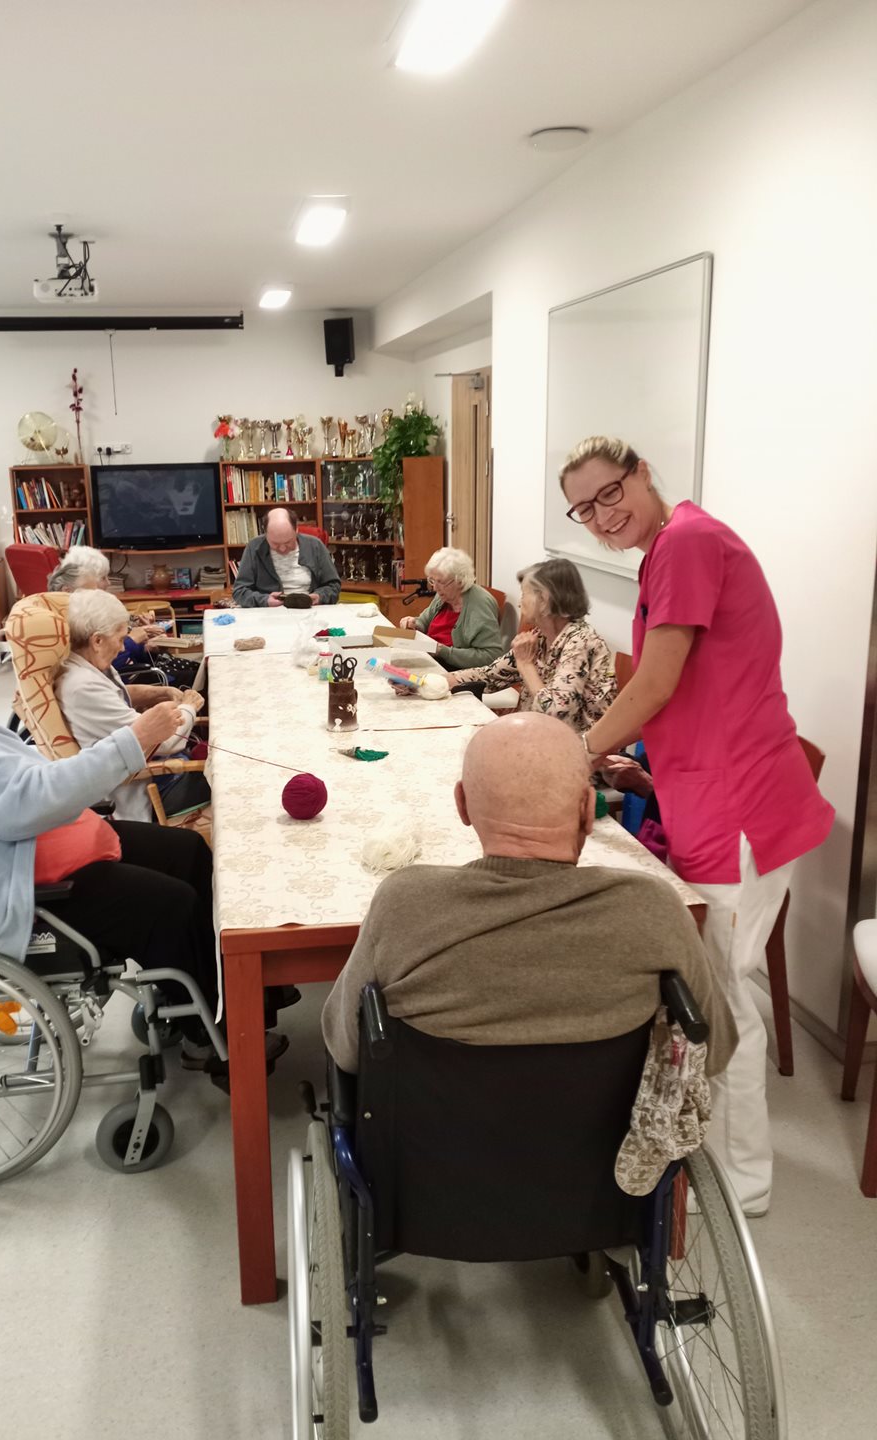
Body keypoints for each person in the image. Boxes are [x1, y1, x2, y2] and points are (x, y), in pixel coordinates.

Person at [559, 434, 834, 1215]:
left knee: (721, 996)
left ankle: (742, 1183)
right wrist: (643, 771)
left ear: (641, 472)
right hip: (709, 793)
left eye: (610, 493)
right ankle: (713, 1149)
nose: (602, 516)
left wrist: (574, 753)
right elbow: (700, 691)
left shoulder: (686, 541)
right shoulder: (666, 549)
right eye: (584, 510)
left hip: (740, 802)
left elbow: (655, 683)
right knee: (712, 985)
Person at [0, 616, 284, 1077]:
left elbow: (40, 781)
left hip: (24, 850)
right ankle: (211, 1034)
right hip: (10, 886)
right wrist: (136, 739)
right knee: (171, 905)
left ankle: (226, 988)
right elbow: (38, 797)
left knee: (187, 851)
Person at [322, 712, 735, 1079]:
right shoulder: (653, 908)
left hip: (425, 1143)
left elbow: (347, 1050)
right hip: (611, 1145)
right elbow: (714, 1052)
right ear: (588, 810)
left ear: (462, 805)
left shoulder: (404, 903)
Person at [56, 588, 210, 823]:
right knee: (230, 772)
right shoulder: (82, 687)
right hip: (150, 788)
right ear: (97, 640)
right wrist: (189, 706)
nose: (122, 648)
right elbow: (167, 741)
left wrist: (162, 692)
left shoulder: (83, 664)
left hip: (156, 767)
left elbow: (117, 693)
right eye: (120, 639)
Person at [446, 558, 615, 726]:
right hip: (535, 729)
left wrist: (526, 665)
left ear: (544, 599)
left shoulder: (581, 642)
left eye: (524, 594)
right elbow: (490, 676)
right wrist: (443, 680)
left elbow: (556, 714)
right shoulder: (539, 636)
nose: (520, 603)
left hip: (572, 739)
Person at [49, 544, 172, 671]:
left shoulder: (89, 614)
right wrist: (131, 640)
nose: (108, 583)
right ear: (68, 590)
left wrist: (146, 647)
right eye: (102, 578)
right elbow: (104, 666)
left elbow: (125, 657)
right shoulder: (66, 626)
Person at [397, 546, 503, 670]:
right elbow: (424, 620)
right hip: (428, 658)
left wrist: (443, 651)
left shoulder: (480, 605)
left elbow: (491, 656)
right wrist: (414, 624)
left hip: (450, 669)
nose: (435, 588)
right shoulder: (444, 595)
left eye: (441, 582)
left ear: (460, 580)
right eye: (432, 581)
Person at [232, 508, 340, 608]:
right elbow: (239, 591)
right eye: (275, 544)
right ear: (265, 534)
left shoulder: (315, 546)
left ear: (296, 530)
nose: (282, 549)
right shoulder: (254, 548)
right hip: (268, 613)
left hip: (309, 611)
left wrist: (319, 596)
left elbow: (333, 586)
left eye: (288, 542)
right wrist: (264, 600)